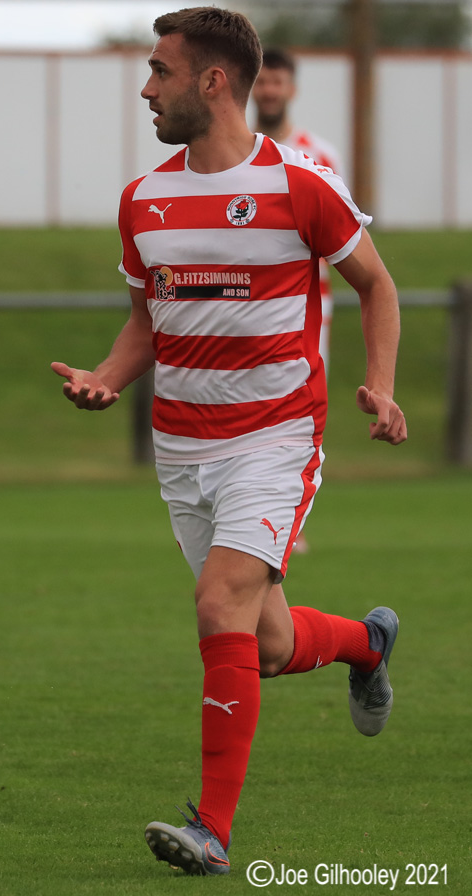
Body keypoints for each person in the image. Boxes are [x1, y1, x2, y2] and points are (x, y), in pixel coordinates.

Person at [50, 7, 406, 878]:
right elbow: (149, 324)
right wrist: (108, 375)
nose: (146, 87)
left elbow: (378, 285)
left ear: (212, 81)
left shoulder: (301, 184)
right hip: (184, 451)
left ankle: (210, 828)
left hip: (277, 438)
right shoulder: (145, 201)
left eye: (159, 72)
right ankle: (367, 643)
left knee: (218, 609)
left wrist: (383, 387)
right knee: (270, 645)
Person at [253, 47, 345, 553]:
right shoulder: (234, 152)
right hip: (247, 306)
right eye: (262, 82)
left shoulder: (319, 155)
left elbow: (341, 236)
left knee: (298, 407)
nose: (269, 90)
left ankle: (291, 520)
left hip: (308, 307)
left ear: (292, 88)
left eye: (278, 82)